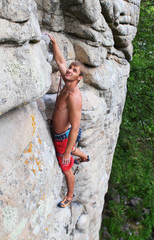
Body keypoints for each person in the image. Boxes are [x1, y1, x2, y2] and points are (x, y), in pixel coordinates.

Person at [46, 33, 90, 208]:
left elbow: (75, 127)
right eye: (71, 68)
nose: (69, 71)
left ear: (79, 78)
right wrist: (54, 43)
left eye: (74, 71)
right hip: (63, 135)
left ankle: (70, 195)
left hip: (63, 136)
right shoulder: (67, 79)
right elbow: (60, 62)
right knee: (72, 148)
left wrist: (65, 155)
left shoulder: (74, 96)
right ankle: (85, 157)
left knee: (66, 167)